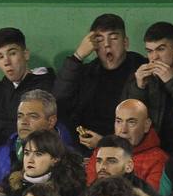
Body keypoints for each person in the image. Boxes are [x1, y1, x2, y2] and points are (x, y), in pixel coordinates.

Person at [56, 15, 147, 151]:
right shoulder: (88, 72)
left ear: (125, 43)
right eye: (99, 39)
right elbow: (58, 102)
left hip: (127, 151)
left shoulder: (141, 70)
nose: (106, 44)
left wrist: (104, 142)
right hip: (83, 150)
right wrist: (77, 57)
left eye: (114, 38)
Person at [0, 29, 54, 148]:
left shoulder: (47, 86)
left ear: (26, 54)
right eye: (0, 56)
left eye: (12, 53)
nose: (6, 62)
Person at [80, 99, 169, 196]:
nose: (123, 130)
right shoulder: (102, 151)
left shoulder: (159, 159)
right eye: (119, 121)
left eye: (131, 122)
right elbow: (88, 190)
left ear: (146, 125)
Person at [0, 89, 66, 187]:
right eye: (20, 116)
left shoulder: (67, 157)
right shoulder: (2, 153)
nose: (24, 122)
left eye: (33, 116)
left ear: (51, 121)